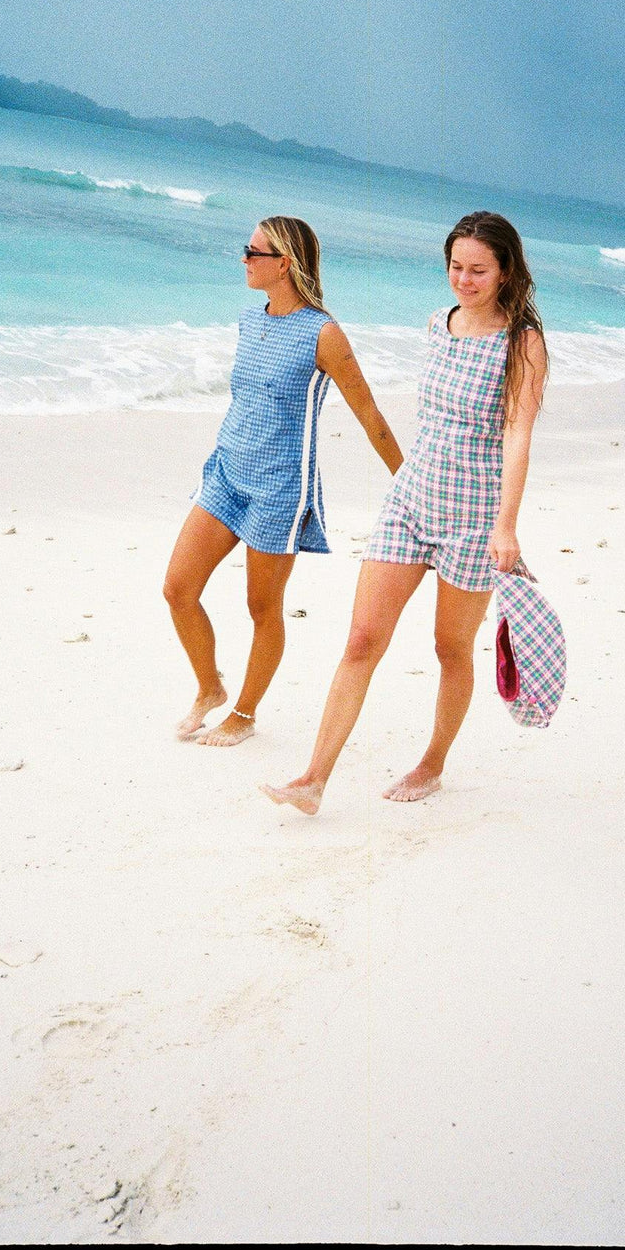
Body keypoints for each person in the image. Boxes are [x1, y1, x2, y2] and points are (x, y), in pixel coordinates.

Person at [261, 210, 548, 812]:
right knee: (363, 638)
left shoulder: (522, 343)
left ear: (504, 272)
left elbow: (518, 435)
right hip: (410, 502)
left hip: (473, 518)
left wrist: (507, 526)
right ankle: (312, 780)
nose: (463, 281)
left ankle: (432, 763)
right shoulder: (437, 325)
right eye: (455, 267)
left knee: (450, 650)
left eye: (477, 270)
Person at [164, 215, 403, 747]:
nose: (244, 259)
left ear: (285, 263)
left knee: (261, 608)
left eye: (253, 252)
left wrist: (407, 481)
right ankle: (210, 688)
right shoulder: (251, 321)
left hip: (279, 488)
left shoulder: (324, 333)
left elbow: (368, 412)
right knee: (178, 589)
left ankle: (244, 715)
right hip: (226, 472)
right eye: (245, 250)